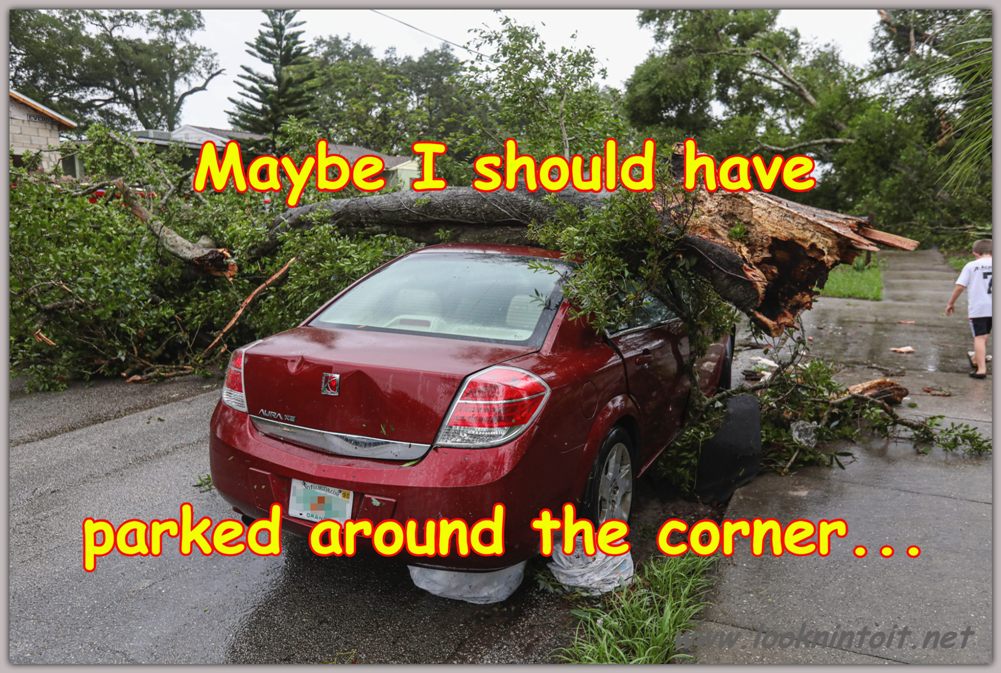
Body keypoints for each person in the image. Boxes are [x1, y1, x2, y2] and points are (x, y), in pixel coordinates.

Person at [945, 239, 993, 379]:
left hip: (979, 307)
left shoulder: (971, 266)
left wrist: (950, 303)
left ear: (975, 253)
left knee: (979, 337)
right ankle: (976, 359)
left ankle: (981, 369)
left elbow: (960, 286)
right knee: (985, 334)